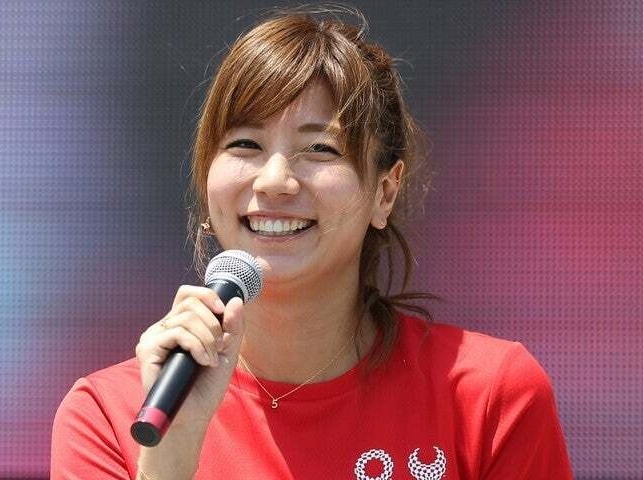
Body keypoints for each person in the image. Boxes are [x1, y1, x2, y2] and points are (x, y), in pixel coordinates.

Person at [51, 7, 573, 480]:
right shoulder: (108, 415)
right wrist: (172, 450)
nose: (274, 181)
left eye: (320, 149)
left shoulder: (489, 395)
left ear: (384, 193)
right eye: (245, 144)